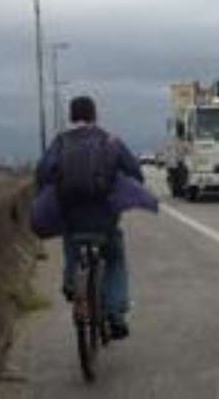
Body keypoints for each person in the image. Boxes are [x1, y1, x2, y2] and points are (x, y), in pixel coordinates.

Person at [35, 96, 144, 339]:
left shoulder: (60, 142)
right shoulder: (109, 140)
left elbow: (42, 174)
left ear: (71, 117)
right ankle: (115, 313)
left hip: (72, 218)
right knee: (115, 257)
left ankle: (72, 285)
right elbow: (135, 171)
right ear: (95, 115)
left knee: (71, 245)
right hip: (105, 218)